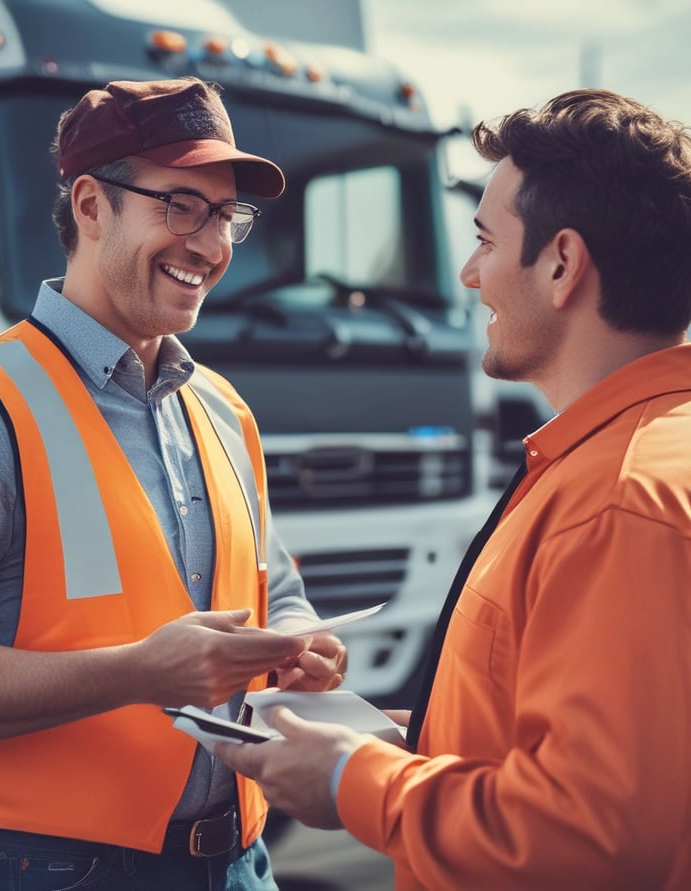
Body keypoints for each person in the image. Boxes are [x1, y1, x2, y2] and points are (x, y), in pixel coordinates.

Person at [216, 88, 691, 890]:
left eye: (483, 241)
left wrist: (350, 781)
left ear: (563, 265)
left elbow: (591, 833)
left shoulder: (617, 503)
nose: (469, 275)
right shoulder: (626, 463)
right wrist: (401, 738)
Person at [0, 77, 347, 890]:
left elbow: (275, 586)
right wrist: (137, 673)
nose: (211, 244)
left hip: (239, 863)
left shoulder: (223, 407)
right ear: (89, 205)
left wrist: (302, 643)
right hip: (43, 869)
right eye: (182, 205)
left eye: (225, 217)